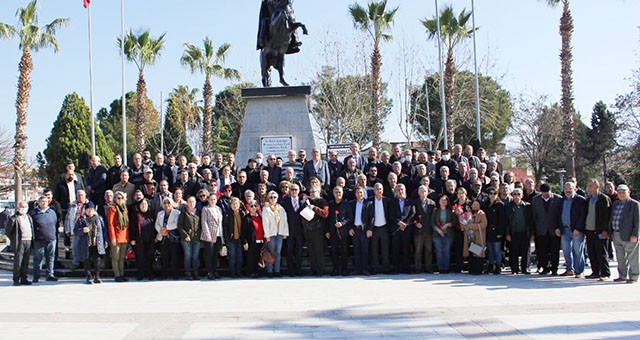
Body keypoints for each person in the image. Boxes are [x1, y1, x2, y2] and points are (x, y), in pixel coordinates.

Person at [556, 181, 587, 278]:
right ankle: (570, 269)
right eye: (566, 189)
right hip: (564, 229)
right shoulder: (561, 201)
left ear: (575, 189)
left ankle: (579, 271)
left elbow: (583, 216)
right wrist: (557, 227)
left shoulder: (581, 200)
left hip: (576, 230)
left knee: (578, 251)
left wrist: (578, 228)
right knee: (566, 251)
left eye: (570, 188)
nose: (567, 190)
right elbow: (557, 215)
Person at [610, 184, 639, 284]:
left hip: (630, 235)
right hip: (616, 234)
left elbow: (638, 222)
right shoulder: (615, 204)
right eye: (619, 192)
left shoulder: (635, 204)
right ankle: (622, 276)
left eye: (623, 192)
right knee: (620, 257)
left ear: (628, 192)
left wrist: (635, 235)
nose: (621, 194)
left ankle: (634, 276)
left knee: (633, 257)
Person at [532, 183, 562, 275]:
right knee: (542, 250)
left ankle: (554, 268)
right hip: (541, 229)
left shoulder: (558, 199)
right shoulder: (536, 200)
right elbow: (534, 215)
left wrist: (559, 227)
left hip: (554, 229)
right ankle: (545, 267)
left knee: (554, 250)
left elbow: (560, 215)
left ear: (550, 190)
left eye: (547, 192)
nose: (545, 194)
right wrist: (534, 231)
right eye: (543, 193)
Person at [584, 179, 612, 280]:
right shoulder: (588, 199)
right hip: (589, 229)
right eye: (588, 186)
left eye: (591, 186)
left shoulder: (604, 199)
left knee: (602, 253)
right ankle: (595, 272)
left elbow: (607, 216)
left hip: (600, 230)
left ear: (597, 187)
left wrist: (605, 230)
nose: (589, 188)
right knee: (592, 252)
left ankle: (605, 273)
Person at [74, 202, 106, 284]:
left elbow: (103, 230)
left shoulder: (99, 218)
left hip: (97, 243)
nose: (90, 211)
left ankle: (97, 276)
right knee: (87, 260)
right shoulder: (81, 219)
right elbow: (75, 231)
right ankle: (89, 276)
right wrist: (82, 230)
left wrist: (105, 240)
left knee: (97, 261)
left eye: (91, 209)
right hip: (86, 244)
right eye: (88, 210)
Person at [30, 196, 59, 282]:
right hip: (39, 239)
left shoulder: (52, 212)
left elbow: (55, 222)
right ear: (38, 202)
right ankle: (36, 276)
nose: (44, 203)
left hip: (51, 239)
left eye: (46, 201)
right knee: (38, 258)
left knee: (50, 257)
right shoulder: (33, 213)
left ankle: (50, 274)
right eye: (42, 201)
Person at [365, 183, 393, 274]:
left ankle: (386, 268)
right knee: (374, 250)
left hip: (384, 227)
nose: (379, 191)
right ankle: (375, 268)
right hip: (374, 229)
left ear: (383, 190)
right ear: (374, 190)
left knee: (385, 249)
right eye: (377, 189)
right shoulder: (369, 201)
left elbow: (389, 215)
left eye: (380, 189)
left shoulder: (387, 201)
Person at [505, 188, 534, 275]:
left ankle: (525, 268)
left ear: (522, 196)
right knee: (513, 251)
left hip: (525, 232)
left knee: (526, 251)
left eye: (518, 194)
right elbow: (506, 222)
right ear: (512, 196)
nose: (516, 196)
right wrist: (507, 234)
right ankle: (514, 269)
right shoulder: (508, 207)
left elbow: (531, 221)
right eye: (514, 194)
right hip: (513, 232)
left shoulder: (527, 206)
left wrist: (532, 233)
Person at [304, 185, 330, 276]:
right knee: (311, 251)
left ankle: (320, 270)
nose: (311, 194)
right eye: (310, 192)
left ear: (318, 192)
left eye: (313, 192)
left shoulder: (323, 201)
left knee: (319, 251)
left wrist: (314, 208)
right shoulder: (308, 201)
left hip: (318, 230)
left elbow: (325, 214)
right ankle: (313, 269)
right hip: (309, 229)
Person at [281, 183, 306, 276]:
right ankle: (290, 270)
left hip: (300, 230)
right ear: (289, 191)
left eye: (296, 189)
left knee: (299, 250)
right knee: (289, 250)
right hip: (289, 230)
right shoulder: (285, 201)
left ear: (299, 191)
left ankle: (298, 270)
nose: (294, 191)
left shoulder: (302, 202)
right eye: (292, 189)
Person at [262, 191, 289, 277]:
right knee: (270, 252)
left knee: (278, 253)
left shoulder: (280, 208)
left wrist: (285, 232)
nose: (273, 199)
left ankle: (277, 271)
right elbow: (265, 223)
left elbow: (285, 221)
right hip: (271, 234)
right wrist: (267, 235)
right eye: (271, 197)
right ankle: (270, 271)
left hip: (279, 233)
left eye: (275, 197)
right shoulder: (266, 209)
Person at [7, 201, 34, 286]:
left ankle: (24, 278)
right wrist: (14, 240)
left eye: (25, 207)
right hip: (20, 242)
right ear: (18, 208)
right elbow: (8, 231)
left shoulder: (29, 217)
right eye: (22, 207)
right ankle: (16, 279)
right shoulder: (14, 218)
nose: (24, 209)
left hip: (28, 240)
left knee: (26, 261)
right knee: (18, 261)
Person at [129, 199, 156, 280]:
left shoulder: (151, 215)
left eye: (145, 204)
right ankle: (140, 274)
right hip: (139, 240)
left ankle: (149, 273)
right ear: (139, 206)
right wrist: (132, 238)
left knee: (150, 257)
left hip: (150, 239)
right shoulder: (136, 215)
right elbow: (132, 228)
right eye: (142, 204)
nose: (144, 206)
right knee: (140, 257)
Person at [391, 184, 415, 274]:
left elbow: (413, 213)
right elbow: (391, 215)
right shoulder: (392, 202)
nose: (400, 191)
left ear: (405, 190)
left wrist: (405, 223)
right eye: (398, 190)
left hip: (407, 228)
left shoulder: (410, 201)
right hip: (396, 228)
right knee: (395, 249)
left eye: (402, 189)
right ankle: (396, 268)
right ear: (395, 192)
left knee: (406, 248)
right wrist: (399, 222)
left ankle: (406, 268)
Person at [155, 197, 181, 279]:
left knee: (174, 257)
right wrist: (161, 230)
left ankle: (175, 274)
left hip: (173, 238)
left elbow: (176, 224)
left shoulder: (177, 212)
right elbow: (156, 224)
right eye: (165, 203)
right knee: (164, 256)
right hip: (163, 237)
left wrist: (166, 228)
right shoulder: (160, 213)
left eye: (168, 203)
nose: (166, 205)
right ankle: (164, 274)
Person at [107, 191, 130, 282]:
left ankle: (122, 274)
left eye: (122, 198)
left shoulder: (125, 209)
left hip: (124, 236)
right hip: (116, 236)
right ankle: (117, 275)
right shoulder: (112, 209)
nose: (120, 200)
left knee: (122, 257)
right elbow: (110, 224)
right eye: (118, 198)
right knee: (115, 257)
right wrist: (112, 237)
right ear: (115, 199)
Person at [223, 197, 248, 278]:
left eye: (236, 203)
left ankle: (239, 271)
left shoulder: (242, 213)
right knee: (232, 257)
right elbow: (225, 227)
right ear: (230, 205)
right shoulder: (227, 213)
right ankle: (232, 272)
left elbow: (245, 227)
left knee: (240, 257)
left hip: (240, 238)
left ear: (239, 204)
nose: (235, 205)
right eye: (233, 204)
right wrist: (227, 239)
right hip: (232, 238)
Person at [328, 186, 350, 276]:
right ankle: (335, 269)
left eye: (339, 192)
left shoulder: (346, 204)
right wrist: (327, 231)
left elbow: (350, 218)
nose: (338, 194)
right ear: (333, 194)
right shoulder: (330, 204)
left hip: (343, 231)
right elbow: (327, 219)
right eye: (336, 192)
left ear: (342, 193)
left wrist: (342, 223)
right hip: (333, 231)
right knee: (334, 251)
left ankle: (344, 269)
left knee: (344, 251)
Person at [483, 187, 506, 275]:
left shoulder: (500, 205)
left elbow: (502, 220)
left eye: (494, 193)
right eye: (491, 193)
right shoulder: (486, 205)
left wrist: (500, 232)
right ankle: (490, 266)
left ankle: (498, 266)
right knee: (490, 250)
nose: (492, 195)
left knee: (497, 250)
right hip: (488, 231)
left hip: (496, 231)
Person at [201, 194, 224, 280]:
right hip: (210, 235)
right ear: (208, 200)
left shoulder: (218, 209)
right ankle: (209, 272)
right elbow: (204, 222)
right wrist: (207, 235)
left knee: (215, 254)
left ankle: (215, 271)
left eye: (214, 199)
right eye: (211, 199)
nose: (213, 201)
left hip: (218, 234)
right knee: (209, 254)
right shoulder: (205, 209)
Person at [178, 196, 201, 280]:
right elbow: (179, 225)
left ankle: (195, 272)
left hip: (196, 238)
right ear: (187, 203)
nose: (192, 203)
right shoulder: (184, 213)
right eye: (190, 202)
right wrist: (185, 235)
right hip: (186, 238)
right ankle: (188, 272)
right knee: (188, 255)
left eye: (193, 202)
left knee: (195, 256)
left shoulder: (198, 212)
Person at [414, 185, 435, 273]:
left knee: (429, 250)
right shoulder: (415, 203)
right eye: (421, 191)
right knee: (418, 250)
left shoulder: (432, 203)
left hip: (429, 230)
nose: (423, 193)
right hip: (418, 230)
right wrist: (416, 223)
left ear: (427, 192)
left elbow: (434, 217)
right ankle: (418, 268)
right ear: (418, 193)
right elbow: (412, 215)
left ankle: (428, 268)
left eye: (425, 191)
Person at [432, 194, 456, 273]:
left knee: (446, 251)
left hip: (448, 234)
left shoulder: (450, 211)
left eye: (445, 200)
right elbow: (432, 222)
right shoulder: (435, 211)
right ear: (439, 201)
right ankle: (440, 268)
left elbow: (454, 222)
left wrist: (448, 224)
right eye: (442, 200)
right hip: (437, 234)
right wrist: (438, 230)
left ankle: (446, 268)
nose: (443, 201)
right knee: (439, 251)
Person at [464, 200, 488, 275]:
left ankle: (478, 270)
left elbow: (484, 224)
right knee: (471, 253)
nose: (475, 206)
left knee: (478, 252)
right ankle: (471, 269)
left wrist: (473, 226)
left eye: (477, 204)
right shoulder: (468, 214)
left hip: (478, 236)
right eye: (474, 204)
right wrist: (465, 226)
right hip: (470, 237)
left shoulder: (481, 214)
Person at [244, 199, 265, 278]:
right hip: (251, 241)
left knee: (257, 256)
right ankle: (251, 272)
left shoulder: (260, 216)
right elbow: (244, 232)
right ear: (248, 207)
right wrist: (245, 242)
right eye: (251, 206)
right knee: (250, 257)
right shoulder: (247, 218)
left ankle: (256, 271)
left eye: (255, 206)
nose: (253, 207)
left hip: (260, 240)